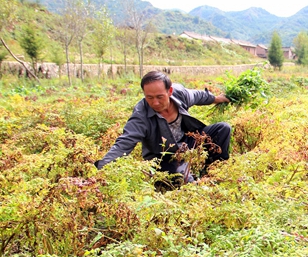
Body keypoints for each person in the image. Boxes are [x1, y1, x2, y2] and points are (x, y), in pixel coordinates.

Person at [95, 70, 231, 186]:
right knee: (185, 179)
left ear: (170, 91)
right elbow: (123, 144)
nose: (155, 102)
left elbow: (198, 96)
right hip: (162, 156)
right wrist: (102, 168)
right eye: (149, 97)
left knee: (223, 129)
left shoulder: (180, 94)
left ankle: (213, 170)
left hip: (186, 142)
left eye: (160, 97)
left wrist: (217, 99)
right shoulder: (141, 115)